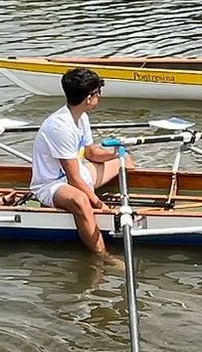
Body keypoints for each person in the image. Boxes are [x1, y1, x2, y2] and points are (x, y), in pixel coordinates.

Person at [31, 67, 133, 255]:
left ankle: (131, 201)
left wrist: (117, 152)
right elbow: (74, 179)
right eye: (98, 93)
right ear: (88, 98)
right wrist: (99, 204)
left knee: (125, 160)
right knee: (80, 201)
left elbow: (91, 153)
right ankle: (103, 255)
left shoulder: (81, 116)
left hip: (78, 173)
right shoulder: (60, 127)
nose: (99, 97)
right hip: (52, 184)